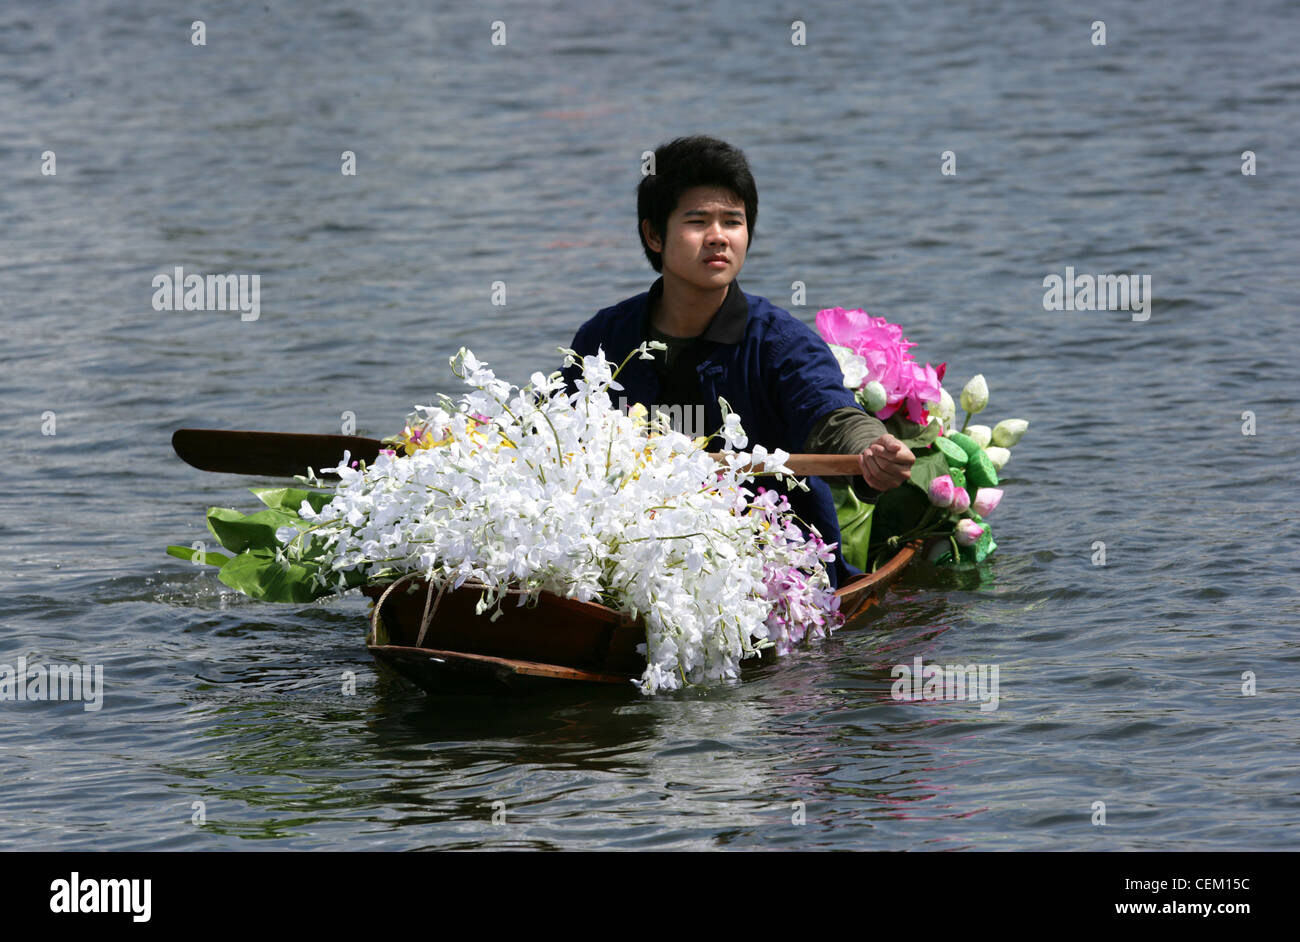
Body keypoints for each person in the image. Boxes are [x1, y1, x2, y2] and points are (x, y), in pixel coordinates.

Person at [562, 135, 915, 587]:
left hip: (773, 569)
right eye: (697, 221)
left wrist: (874, 450)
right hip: (632, 565)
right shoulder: (607, 338)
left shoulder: (781, 344)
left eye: (733, 221)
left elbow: (830, 414)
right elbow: (552, 426)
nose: (717, 238)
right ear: (653, 234)